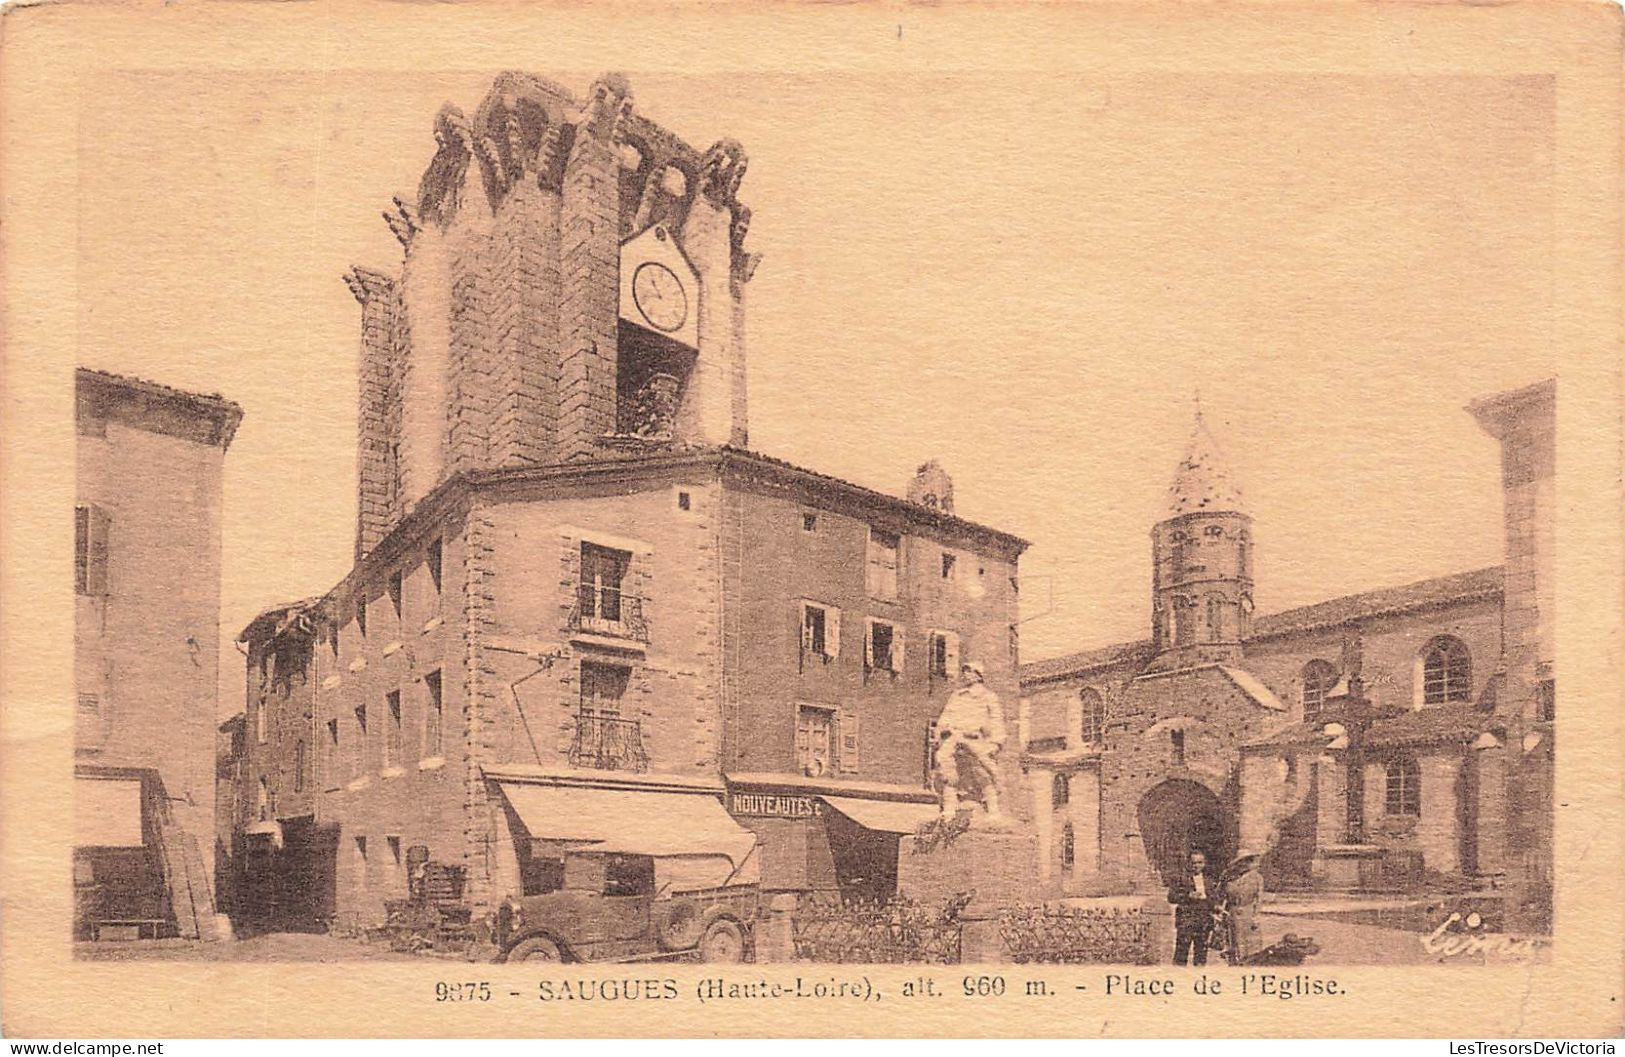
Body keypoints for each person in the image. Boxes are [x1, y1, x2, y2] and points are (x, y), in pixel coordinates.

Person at [932, 661, 1008, 821]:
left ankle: (993, 810)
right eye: (964, 671)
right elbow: (946, 716)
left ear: (978, 675)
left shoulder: (988, 697)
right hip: (954, 738)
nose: (965, 675)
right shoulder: (957, 696)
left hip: (975, 739)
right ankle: (949, 810)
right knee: (947, 771)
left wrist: (996, 742)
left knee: (983, 772)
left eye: (969, 671)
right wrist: (942, 731)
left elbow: (996, 720)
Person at [1167, 849, 1216, 966]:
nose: (1197, 866)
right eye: (1194, 863)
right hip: (1186, 921)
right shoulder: (1181, 878)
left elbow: (1214, 899)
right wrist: (1188, 896)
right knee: (1181, 954)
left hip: (1204, 921)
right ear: (1188, 863)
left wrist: (1215, 906)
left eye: (1200, 862)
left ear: (1204, 863)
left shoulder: (1209, 880)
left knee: (1201, 955)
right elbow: (1171, 897)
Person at [1222, 849, 1265, 965]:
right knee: (1234, 941)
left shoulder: (1257, 878)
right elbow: (1221, 895)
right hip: (1232, 912)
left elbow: (1259, 898)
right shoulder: (1228, 877)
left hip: (1249, 912)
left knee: (1251, 943)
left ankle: (1250, 964)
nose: (1244, 864)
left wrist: (1256, 915)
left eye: (1248, 861)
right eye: (1241, 861)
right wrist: (1222, 912)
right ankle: (1235, 964)